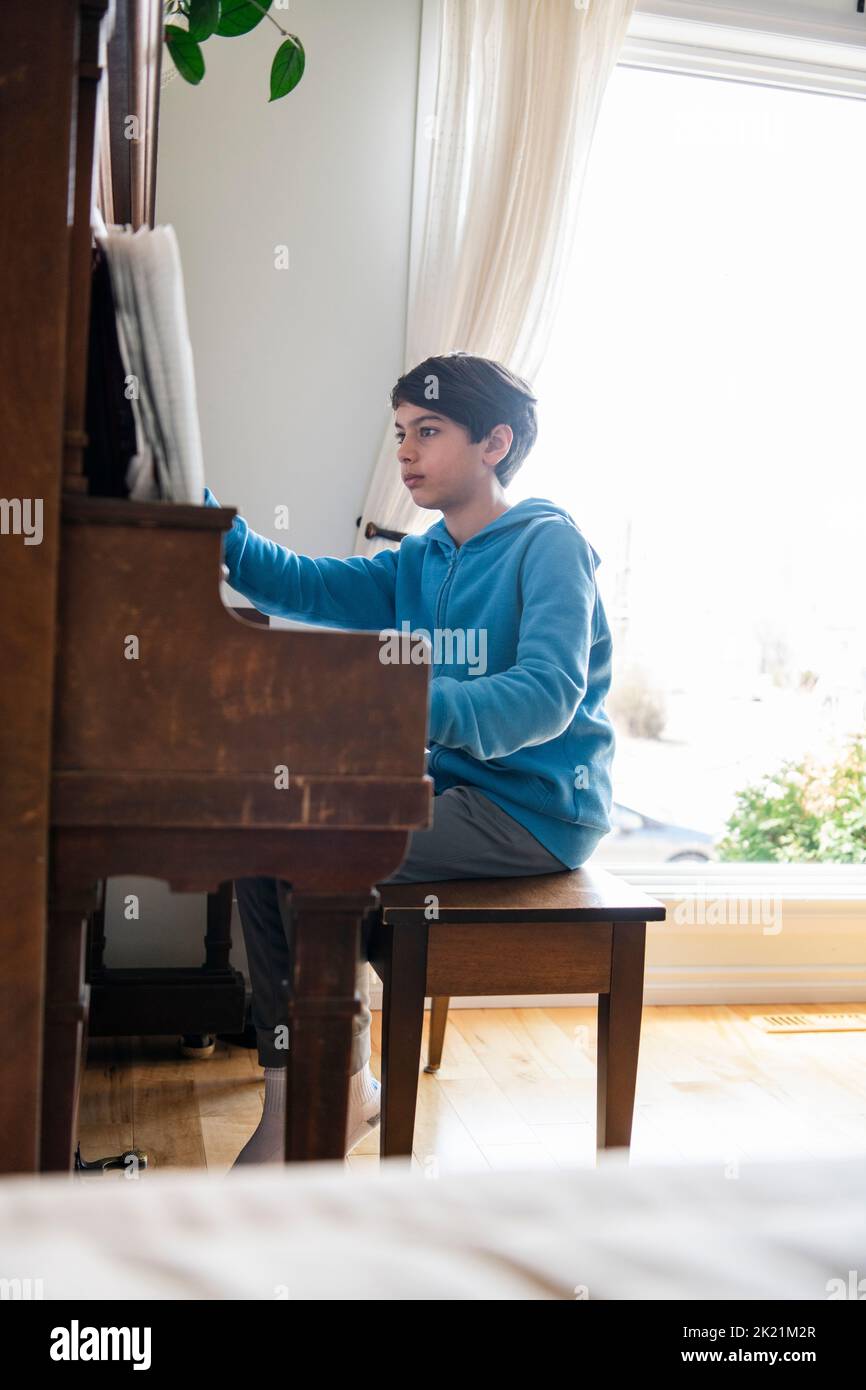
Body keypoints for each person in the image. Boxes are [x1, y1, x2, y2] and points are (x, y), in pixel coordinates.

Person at [204, 352, 616, 1164]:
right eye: (400, 433)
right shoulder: (423, 558)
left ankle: (328, 1088)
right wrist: (200, 509)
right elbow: (305, 585)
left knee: (305, 846)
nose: (405, 451)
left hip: (533, 809)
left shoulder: (550, 545)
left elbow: (544, 697)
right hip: (447, 791)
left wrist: (396, 703)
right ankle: (308, 1087)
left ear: (495, 443)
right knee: (268, 836)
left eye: (428, 431)